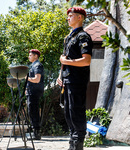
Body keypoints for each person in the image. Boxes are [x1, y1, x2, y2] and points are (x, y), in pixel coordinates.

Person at [57, 7, 93, 150]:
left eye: (71, 16)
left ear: (80, 17)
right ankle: (72, 144)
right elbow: (65, 59)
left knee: (76, 112)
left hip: (77, 81)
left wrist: (66, 62)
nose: (68, 18)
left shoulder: (83, 36)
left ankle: (78, 145)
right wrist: (60, 76)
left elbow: (86, 60)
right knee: (68, 113)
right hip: (67, 81)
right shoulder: (69, 37)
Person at [26, 49, 44, 140]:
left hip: (35, 91)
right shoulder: (32, 65)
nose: (29, 57)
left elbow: (37, 79)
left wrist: (26, 78)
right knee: (31, 111)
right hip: (31, 91)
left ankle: (36, 133)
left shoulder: (37, 65)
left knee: (34, 111)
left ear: (35, 56)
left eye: (30, 55)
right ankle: (34, 132)